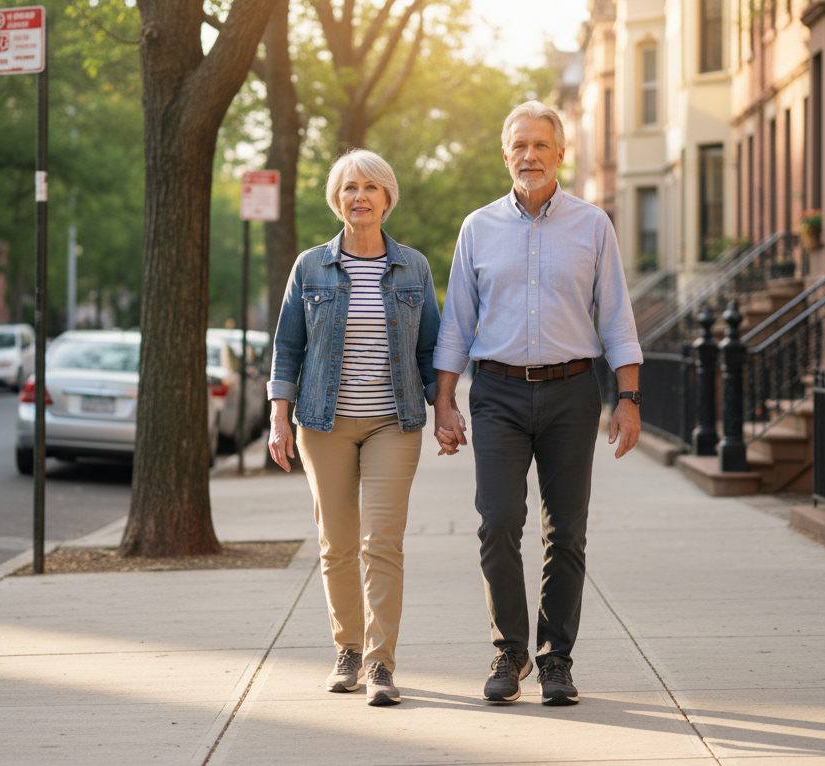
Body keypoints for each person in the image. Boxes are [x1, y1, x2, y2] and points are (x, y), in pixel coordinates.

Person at [433, 101, 642, 706]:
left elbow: (618, 319)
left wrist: (627, 398)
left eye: (540, 146)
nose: (529, 156)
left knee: (566, 531)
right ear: (506, 155)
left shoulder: (593, 224)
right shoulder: (477, 228)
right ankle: (510, 649)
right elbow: (456, 326)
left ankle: (555, 659)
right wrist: (445, 403)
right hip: (495, 391)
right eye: (518, 146)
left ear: (560, 154)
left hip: (573, 391)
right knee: (498, 522)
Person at [268, 149, 440, 707]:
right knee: (337, 545)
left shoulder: (413, 266)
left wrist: (448, 411)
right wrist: (278, 416)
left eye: (370, 187)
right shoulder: (311, 266)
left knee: (381, 543)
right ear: (336, 200)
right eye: (349, 188)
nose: (359, 196)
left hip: (394, 420)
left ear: (388, 197)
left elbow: (431, 347)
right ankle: (347, 650)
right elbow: (288, 346)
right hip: (323, 422)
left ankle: (380, 664)